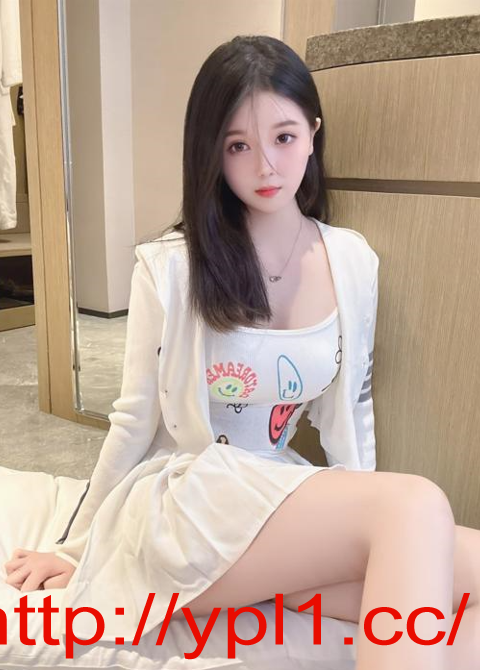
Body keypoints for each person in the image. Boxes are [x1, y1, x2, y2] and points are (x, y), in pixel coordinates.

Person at [3, 34, 480, 668]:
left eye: (283, 137)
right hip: (192, 504)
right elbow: (133, 420)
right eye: (238, 146)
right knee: (416, 503)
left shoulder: (352, 260)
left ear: (312, 133)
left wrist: (362, 519)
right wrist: (78, 547)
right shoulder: (171, 267)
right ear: (212, 154)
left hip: (279, 493)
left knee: (454, 563)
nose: (266, 167)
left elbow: (351, 411)